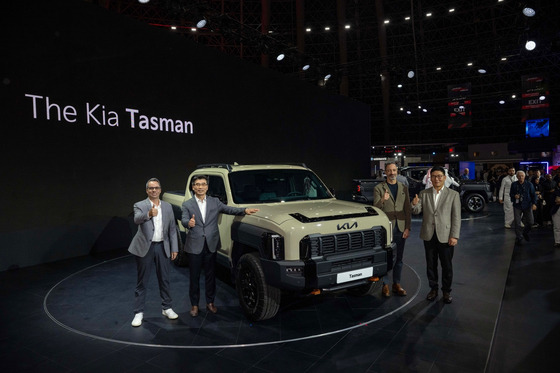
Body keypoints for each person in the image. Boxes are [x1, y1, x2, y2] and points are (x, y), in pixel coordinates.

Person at [181, 175, 259, 317]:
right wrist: (188, 224)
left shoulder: (215, 202)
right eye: (197, 184)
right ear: (193, 187)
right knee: (194, 277)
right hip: (194, 245)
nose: (200, 187)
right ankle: (194, 305)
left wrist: (244, 210)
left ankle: (210, 303)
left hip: (211, 245)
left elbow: (229, 209)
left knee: (211, 276)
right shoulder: (187, 204)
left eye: (203, 184)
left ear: (207, 187)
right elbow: (185, 219)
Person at [128, 178, 179, 327]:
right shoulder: (140, 205)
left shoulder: (168, 207)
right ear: (146, 191)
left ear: (160, 189)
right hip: (145, 247)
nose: (154, 190)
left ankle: (167, 307)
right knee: (142, 281)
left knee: (164, 279)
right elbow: (137, 219)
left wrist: (175, 248)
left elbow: (172, 229)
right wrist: (149, 214)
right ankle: (138, 312)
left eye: (156, 188)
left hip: (163, 246)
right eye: (151, 188)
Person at [411, 166, 461, 304]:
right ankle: (433, 289)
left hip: (446, 236)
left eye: (439, 176)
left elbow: (456, 217)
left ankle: (446, 291)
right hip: (429, 235)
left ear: (445, 178)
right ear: (430, 178)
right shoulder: (424, 193)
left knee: (447, 266)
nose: (437, 179)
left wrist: (454, 236)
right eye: (434, 176)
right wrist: (414, 205)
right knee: (430, 265)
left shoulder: (453, 195)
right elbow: (416, 211)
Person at [373, 162, 412, 297]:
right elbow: (376, 208)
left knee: (399, 258)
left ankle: (397, 284)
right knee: (387, 257)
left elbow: (407, 209)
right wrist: (383, 200)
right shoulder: (379, 188)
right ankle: (385, 285)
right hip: (387, 228)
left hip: (401, 227)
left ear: (397, 171)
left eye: (394, 170)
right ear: (385, 172)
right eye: (389, 170)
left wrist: (407, 228)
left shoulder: (403, 187)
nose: (392, 173)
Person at [510, 171, 537, 245]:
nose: (521, 177)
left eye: (522, 176)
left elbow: (533, 195)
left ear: (524, 176)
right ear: (517, 177)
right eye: (519, 176)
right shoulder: (514, 184)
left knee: (531, 222)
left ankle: (525, 232)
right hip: (517, 205)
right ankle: (519, 237)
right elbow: (511, 194)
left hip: (527, 205)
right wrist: (514, 196)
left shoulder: (529, 184)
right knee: (517, 223)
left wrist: (534, 204)